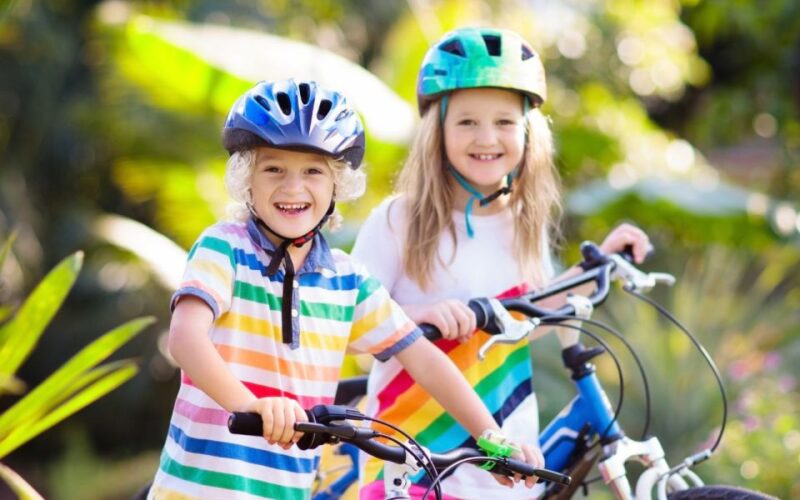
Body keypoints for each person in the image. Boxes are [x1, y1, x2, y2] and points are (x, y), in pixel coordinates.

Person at [147, 78, 541, 499]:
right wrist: (250, 405)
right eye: (273, 168)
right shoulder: (223, 248)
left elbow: (424, 360)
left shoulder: (347, 281)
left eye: (313, 171)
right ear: (247, 180)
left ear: (338, 185)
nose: (293, 187)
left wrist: (491, 437)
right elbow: (186, 339)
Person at [353, 27, 652, 499]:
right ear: (438, 131)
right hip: (415, 464)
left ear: (528, 130)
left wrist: (599, 260)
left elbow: (528, 316)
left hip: (506, 464)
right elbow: (343, 328)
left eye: (505, 122)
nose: (487, 137)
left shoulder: (521, 224)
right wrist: (412, 319)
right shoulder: (397, 221)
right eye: (467, 121)